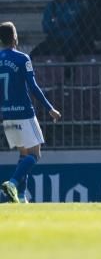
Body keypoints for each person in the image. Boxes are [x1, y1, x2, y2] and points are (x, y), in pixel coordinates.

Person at [0, 22, 61, 204]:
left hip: (7, 114)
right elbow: (33, 87)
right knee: (35, 154)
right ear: (15, 37)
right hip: (24, 112)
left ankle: (20, 196)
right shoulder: (22, 58)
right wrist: (50, 108)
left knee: (24, 154)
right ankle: (11, 183)